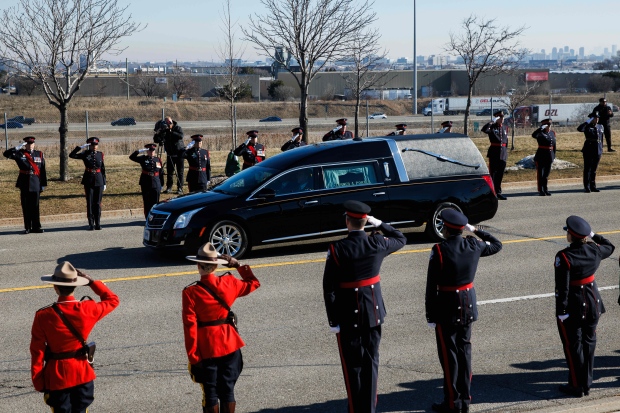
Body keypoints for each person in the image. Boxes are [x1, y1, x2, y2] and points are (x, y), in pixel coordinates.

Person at [323, 200, 406, 413]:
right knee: (371, 364)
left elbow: (329, 288)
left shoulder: (337, 248)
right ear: (364, 222)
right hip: (373, 312)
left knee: (352, 367)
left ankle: (355, 408)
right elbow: (401, 238)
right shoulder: (377, 243)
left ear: (347, 221)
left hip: (347, 315)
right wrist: (379, 223)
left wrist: (333, 320)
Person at [425, 210, 502, 413]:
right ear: (461, 228)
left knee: (449, 355)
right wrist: (475, 230)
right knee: (464, 352)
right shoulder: (474, 244)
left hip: (446, 307)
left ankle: (452, 402)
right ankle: (465, 400)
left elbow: (431, 286)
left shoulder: (439, 250)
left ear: (446, 228)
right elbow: (496, 244)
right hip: (467, 304)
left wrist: (430, 314)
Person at [30, 261, 119, 413]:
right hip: (82, 373)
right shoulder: (88, 308)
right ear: (76, 286)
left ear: (55, 287)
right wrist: (92, 282)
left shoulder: (43, 316)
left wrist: (38, 381)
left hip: (57, 377)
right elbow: (112, 300)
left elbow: (37, 352)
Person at [182, 243, 260, 413]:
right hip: (229, 343)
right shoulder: (229, 282)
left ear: (198, 265)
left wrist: (194, 356)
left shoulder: (190, 292)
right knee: (227, 390)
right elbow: (253, 283)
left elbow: (190, 326)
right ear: (216, 265)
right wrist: (238, 265)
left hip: (207, 347)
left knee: (210, 392)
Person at [554, 216, 615, 398]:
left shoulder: (564, 256)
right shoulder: (594, 249)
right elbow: (610, 246)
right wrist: (593, 234)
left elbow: (562, 288)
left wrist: (561, 311)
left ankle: (576, 385)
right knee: (589, 343)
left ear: (571, 236)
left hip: (574, 303)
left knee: (573, 346)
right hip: (593, 300)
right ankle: (587, 383)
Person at [3, 136, 47, 234]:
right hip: (25, 182)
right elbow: (6, 154)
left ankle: (36, 227)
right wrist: (16, 148)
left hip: (36, 182)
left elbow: (43, 170)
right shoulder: (20, 153)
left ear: (34, 144)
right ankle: (28, 227)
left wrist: (43, 184)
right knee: (26, 206)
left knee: (35, 206)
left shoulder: (39, 154)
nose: (30, 145)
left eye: (31, 144)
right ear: (25, 144)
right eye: (28, 144)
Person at [70, 137, 106, 230]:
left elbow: (102, 169)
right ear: (89, 145)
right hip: (88, 180)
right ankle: (91, 223)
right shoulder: (85, 153)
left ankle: (98, 223)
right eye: (92, 145)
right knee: (90, 202)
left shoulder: (100, 154)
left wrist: (104, 182)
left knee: (98, 203)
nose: (94, 147)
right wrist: (80, 147)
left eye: (96, 145)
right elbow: (72, 155)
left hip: (99, 180)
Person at [129, 143, 164, 218]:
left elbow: (161, 173)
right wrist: (139, 151)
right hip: (146, 182)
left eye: (153, 150)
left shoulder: (158, 160)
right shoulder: (143, 158)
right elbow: (131, 157)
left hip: (156, 182)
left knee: (156, 202)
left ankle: (155, 217)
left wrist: (162, 184)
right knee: (147, 202)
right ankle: (148, 218)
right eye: (150, 151)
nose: (152, 152)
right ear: (147, 151)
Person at [154, 116, 185, 194]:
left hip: (179, 153)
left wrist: (171, 131)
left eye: (169, 123)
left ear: (172, 122)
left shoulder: (177, 128)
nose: (168, 125)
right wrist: (158, 133)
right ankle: (169, 187)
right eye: (167, 123)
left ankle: (180, 188)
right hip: (170, 154)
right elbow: (156, 140)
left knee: (180, 172)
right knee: (170, 172)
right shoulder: (164, 130)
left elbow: (181, 136)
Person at [481, 111, 509, 200]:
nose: (502, 119)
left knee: (500, 174)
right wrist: (492, 121)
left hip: (503, 153)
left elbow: (506, 141)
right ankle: (492, 193)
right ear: (497, 118)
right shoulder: (492, 127)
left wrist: (505, 151)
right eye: (500, 117)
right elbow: (484, 130)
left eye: (503, 117)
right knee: (493, 174)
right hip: (494, 153)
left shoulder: (505, 127)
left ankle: (498, 192)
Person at [578, 112, 604, 193]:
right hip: (589, 149)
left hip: (597, 149)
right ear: (591, 119)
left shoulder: (600, 126)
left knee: (594, 169)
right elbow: (579, 129)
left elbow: (601, 138)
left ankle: (593, 186)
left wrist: (601, 149)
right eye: (595, 118)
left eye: (597, 118)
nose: (597, 119)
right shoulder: (587, 126)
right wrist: (587, 121)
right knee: (588, 169)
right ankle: (587, 186)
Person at [531, 118, 557, 196]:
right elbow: (533, 135)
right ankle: (541, 190)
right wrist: (540, 128)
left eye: (550, 125)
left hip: (549, 156)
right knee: (541, 174)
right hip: (541, 156)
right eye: (547, 125)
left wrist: (553, 155)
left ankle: (545, 189)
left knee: (546, 174)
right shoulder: (540, 133)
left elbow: (554, 145)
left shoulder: (552, 133)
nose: (549, 126)